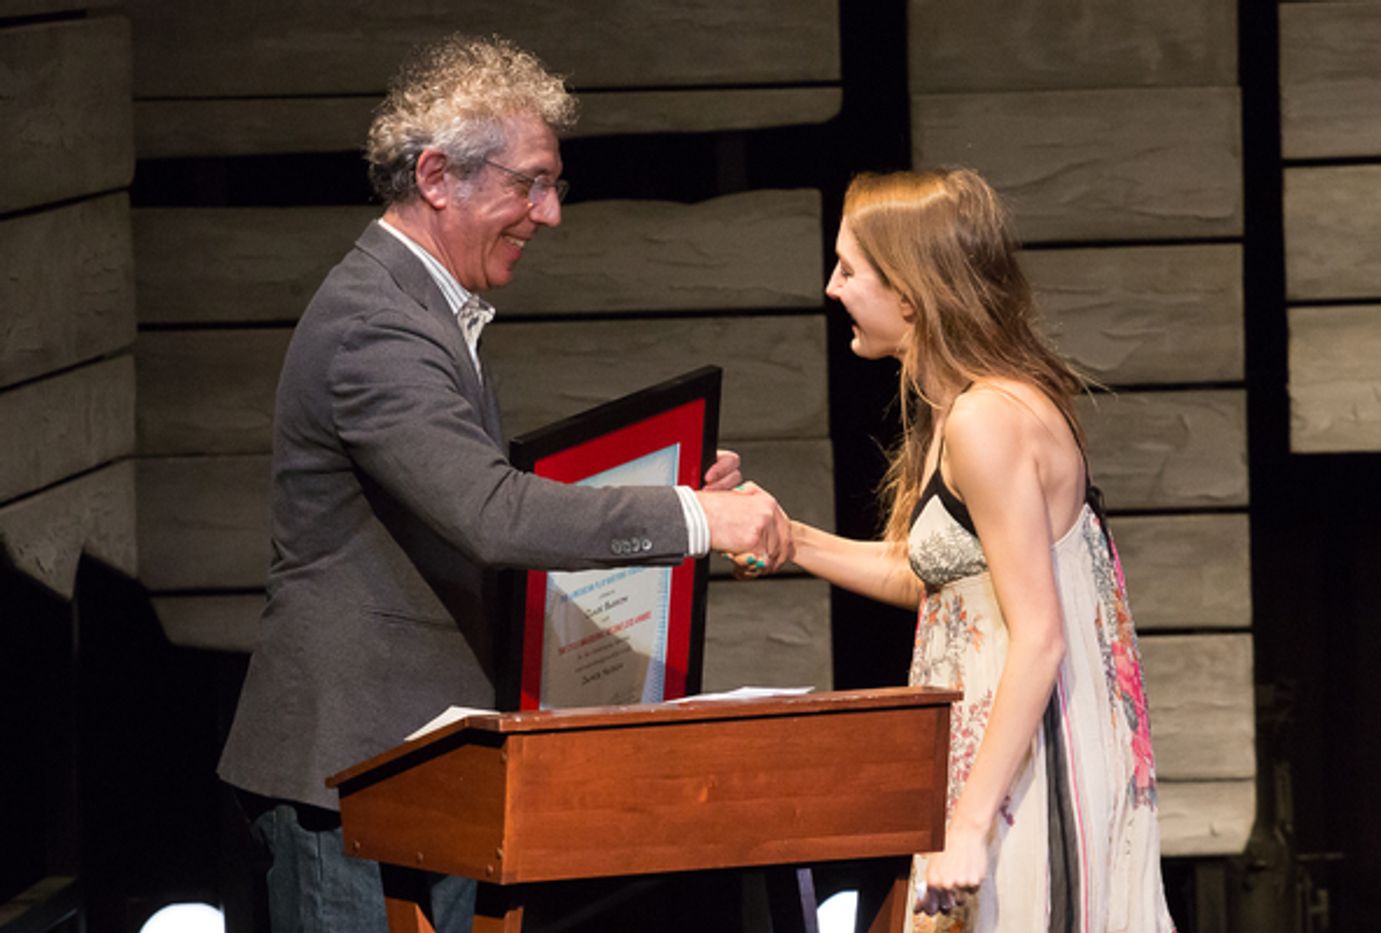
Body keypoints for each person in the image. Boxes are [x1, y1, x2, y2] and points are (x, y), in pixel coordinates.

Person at [216, 34, 791, 932]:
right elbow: (492, 512)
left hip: (423, 763)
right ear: (439, 177)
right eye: (529, 183)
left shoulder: (424, 310)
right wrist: (696, 517)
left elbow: (481, 489)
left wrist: (680, 486)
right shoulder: (378, 324)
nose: (550, 212)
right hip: (351, 772)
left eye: (551, 184)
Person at [737, 168, 1174, 932]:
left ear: (908, 294)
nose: (832, 287)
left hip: (1031, 775)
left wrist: (971, 822)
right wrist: (791, 538)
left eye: (848, 269)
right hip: (995, 768)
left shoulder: (987, 419)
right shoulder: (962, 407)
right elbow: (938, 578)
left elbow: (1039, 635)